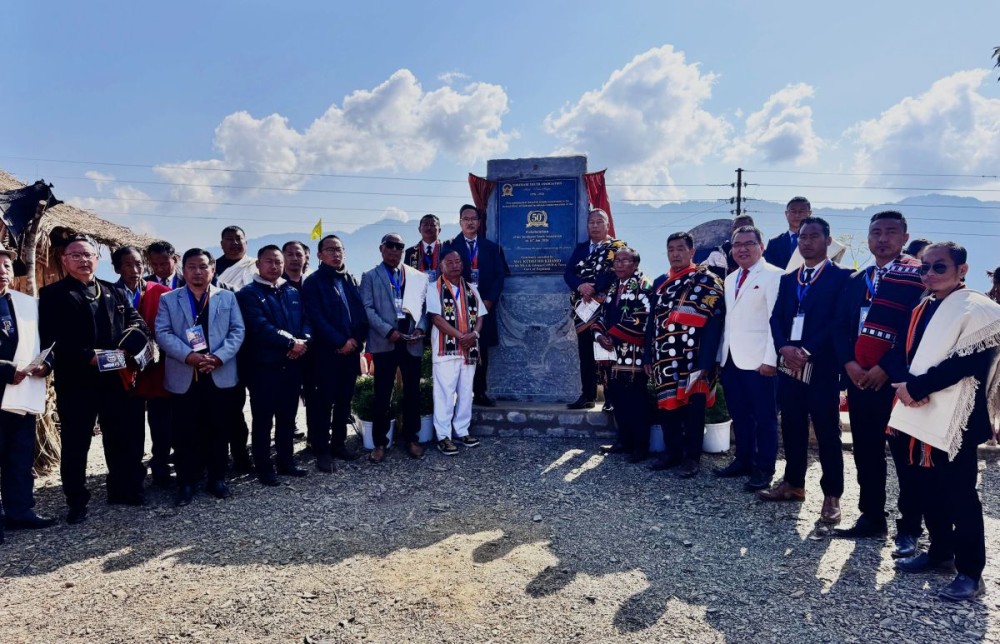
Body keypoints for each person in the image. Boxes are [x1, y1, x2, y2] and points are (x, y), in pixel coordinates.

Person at [889, 242, 1000, 601]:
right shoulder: (922, 306)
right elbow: (899, 351)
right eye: (925, 267)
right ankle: (940, 553)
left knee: (959, 494)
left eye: (939, 267)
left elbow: (968, 362)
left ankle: (971, 572)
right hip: (917, 410)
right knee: (927, 487)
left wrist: (916, 387)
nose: (930, 274)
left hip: (957, 418)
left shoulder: (978, 309)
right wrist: (905, 385)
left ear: (962, 270)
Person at [832, 211, 926, 554]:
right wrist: (850, 364)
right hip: (859, 379)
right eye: (876, 232)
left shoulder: (917, 277)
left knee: (905, 456)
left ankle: (910, 526)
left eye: (890, 232)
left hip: (897, 383)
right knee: (866, 451)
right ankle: (871, 516)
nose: (882, 239)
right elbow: (840, 326)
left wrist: (886, 367)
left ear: (904, 237)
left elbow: (918, 330)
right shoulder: (858, 279)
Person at [39, 235, 150, 524]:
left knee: (119, 436)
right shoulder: (52, 294)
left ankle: (122, 489)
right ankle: (76, 500)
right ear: (64, 260)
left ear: (97, 260)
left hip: (115, 377)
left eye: (88, 255)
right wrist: (86, 356)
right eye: (76, 255)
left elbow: (138, 323)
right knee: (76, 443)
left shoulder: (114, 291)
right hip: (77, 380)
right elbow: (50, 339)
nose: (83, 260)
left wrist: (126, 349)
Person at [759, 217, 851, 524]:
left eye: (813, 236)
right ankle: (793, 483)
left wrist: (807, 350)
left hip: (822, 365)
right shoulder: (790, 279)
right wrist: (784, 347)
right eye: (802, 237)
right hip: (789, 365)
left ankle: (832, 495)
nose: (806, 242)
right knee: (792, 425)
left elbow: (839, 321)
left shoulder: (842, 277)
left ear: (828, 240)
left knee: (827, 431)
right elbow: (776, 318)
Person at [156, 249, 245, 506]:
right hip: (185, 374)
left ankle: (217, 479)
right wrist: (189, 356)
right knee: (184, 431)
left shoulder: (227, 297)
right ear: (183, 270)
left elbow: (237, 331)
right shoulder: (168, 299)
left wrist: (218, 357)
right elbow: (163, 333)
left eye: (203, 266)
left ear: (212, 269)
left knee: (219, 428)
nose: (198, 272)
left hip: (219, 372)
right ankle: (186, 482)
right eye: (192, 267)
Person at [644, 234, 725, 477]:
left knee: (693, 409)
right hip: (664, 358)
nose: (675, 254)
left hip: (694, 357)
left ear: (692, 251)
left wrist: (706, 362)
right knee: (667, 407)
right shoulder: (661, 282)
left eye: (680, 249)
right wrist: (648, 355)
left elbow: (714, 324)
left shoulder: (707, 281)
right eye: (671, 249)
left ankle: (692, 457)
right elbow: (652, 322)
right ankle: (672, 452)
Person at [714, 225, 783, 490]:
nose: (742, 249)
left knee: (765, 418)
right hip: (731, 359)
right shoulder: (731, 278)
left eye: (748, 243)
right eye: (737, 244)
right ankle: (743, 460)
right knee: (740, 415)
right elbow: (729, 322)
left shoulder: (774, 275)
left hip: (759, 361)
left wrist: (771, 359)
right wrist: (721, 357)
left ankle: (764, 468)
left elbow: (776, 322)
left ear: (761, 247)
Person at [237, 246, 310, 485]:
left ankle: (286, 461)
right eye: (268, 261)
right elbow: (259, 326)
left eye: (278, 261)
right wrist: (290, 342)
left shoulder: (292, 291)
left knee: (288, 417)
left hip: (293, 365)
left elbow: (306, 321)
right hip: (263, 368)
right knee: (263, 420)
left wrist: (304, 341)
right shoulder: (248, 294)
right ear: (258, 264)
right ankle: (264, 467)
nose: (274, 266)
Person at [0, 242, 56, 539]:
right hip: (4, 385)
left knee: (20, 457)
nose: (2, 271)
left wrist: (46, 365)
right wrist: (6, 370)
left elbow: (48, 344)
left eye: (6, 265)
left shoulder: (27, 304)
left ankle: (20, 511)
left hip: (22, 395)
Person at [359, 233, 429, 462]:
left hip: (411, 341)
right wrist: (388, 331)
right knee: (382, 394)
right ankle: (380, 442)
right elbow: (367, 308)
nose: (394, 250)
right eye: (390, 245)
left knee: (412, 393)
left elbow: (424, 307)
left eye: (399, 246)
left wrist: (420, 328)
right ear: (381, 248)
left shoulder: (415, 276)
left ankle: (412, 438)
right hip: (385, 341)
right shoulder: (370, 276)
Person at [301, 235, 368, 472]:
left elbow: (360, 314)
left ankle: (339, 443)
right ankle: (322, 450)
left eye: (339, 249)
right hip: (326, 353)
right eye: (330, 249)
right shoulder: (313, 282)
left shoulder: (350, 278)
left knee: (344, 401)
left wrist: (357, 340)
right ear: (320, 255)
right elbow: (316, 318)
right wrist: (340, 341)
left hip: (351, 352)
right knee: (323, 403)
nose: (335, 253)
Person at [112, 246, 173, 487]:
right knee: (131, 426)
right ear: (117, 268)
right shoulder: (110, 294)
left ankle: (161, 468)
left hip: (157, 368)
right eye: (128, 265)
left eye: (138, 264)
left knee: (162, 423)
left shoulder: (161, 292)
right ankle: (133, 477)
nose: (135, 270)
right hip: (126, 370)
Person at [592, 247, 652, 462]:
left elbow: (644, 316)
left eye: (625, 260)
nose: (619, 264)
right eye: (616, 260)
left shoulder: (644, 285)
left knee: (636, 399)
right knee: (617, 397)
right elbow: (601, 315)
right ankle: (623, 441)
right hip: (612, 353)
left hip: (633, 354)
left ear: (635, 264)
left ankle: (640, 446)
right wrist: (600, 335)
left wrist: (613, 335)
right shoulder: (613, 287)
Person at [564, 208, 626, 411]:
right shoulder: (581, 249)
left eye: (600, 222)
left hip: (606, 307)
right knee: (585, 353)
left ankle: (611, 398)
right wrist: (580, 286)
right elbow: (568, 273)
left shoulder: (617, 247)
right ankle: (588, 395)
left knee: (606, 352)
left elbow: (617, 271)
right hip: (583, 309)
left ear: (607, 225)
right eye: (592, 222)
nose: (595, 226)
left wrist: (594, 288)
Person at [425, 248, 485, 455]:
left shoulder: (471, 289)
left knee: (466, 392)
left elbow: (480, 316)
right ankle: (443, 435)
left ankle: (462, 430)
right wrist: (461, 336)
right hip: (446, 350)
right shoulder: (433, 288)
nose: (454, 265)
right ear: (441, 265)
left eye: (457, 261)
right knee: (444, 393)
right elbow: (436, 318)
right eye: (449, 262)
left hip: (469, 349)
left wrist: (474, 334)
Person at [446, 205, 506, 407]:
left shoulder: (491, 247)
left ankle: (479, 392)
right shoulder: (450, 246)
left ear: (479, 223)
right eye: (466, 219)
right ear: (460, 222)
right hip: (459, 307)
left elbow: (499, 276)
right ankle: (458, 396)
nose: (470, 222)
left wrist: (490, 300)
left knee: (482, 350)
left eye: (474, 219)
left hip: (484, 306)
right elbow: (445, 276)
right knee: (459, 349)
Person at [214, 226, 254, 472]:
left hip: (248, 345)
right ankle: (216, 457)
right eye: (229, 240)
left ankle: (241, 454)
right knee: (218, 406)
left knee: (238, 406)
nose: (234, 243)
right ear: (222, 244)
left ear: (246, 242)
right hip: (217, 348)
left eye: (238, 239)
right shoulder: (212, 268)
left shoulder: (254, 267)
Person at [764, 197, 812, 269]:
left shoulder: (818, 242)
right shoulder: (774, 243)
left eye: (801, 211)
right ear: (786, 213)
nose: (797, 215)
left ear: (810, 213)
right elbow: (769, 269)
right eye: (793, 211)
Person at [405, 214, 444, 280]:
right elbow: (406, 276)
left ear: (439, 230)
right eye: (425, 225)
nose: (429, 228)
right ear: (419, 229)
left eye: (432, 225)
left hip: (442, 285)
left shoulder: (446, 249)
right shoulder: (410, 252)